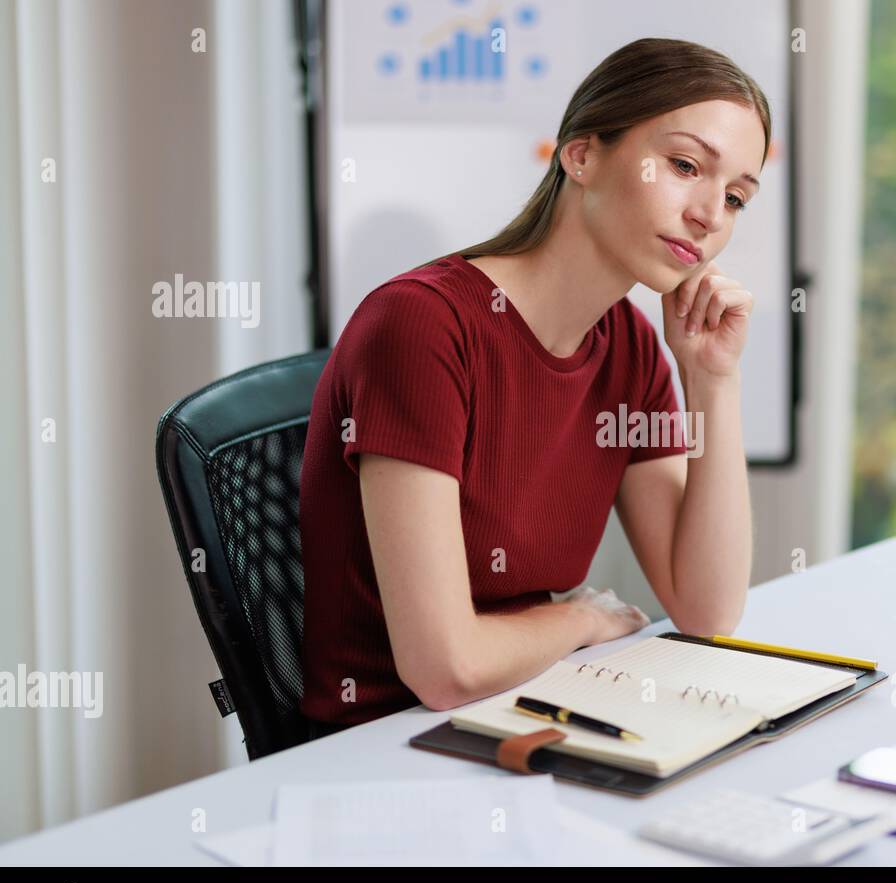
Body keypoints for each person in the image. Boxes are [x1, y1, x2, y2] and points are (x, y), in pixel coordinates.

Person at [298, 37, 769, 735]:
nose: (709, 214)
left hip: (524, 714)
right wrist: (581, 616)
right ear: (579, 155)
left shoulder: (630, 348)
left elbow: (706, 609)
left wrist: (712, 378)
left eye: (734, 197)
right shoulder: (422, 326)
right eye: (683, 165)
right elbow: (443, 668)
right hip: (384, 746)